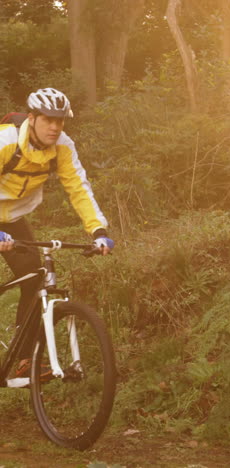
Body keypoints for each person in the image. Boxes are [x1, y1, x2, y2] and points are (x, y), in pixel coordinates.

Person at [0, 87, 114, 380]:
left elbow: (78, 188)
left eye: (60, 121)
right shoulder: (7, 140)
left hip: (11, 218)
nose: (54, 127)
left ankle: (25, 359)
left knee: (35, 275)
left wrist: (97, 230)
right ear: (33, 117)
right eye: (48, 119)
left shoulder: (62, 146)